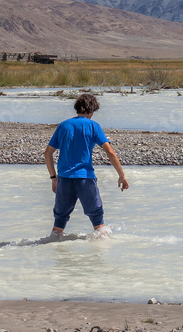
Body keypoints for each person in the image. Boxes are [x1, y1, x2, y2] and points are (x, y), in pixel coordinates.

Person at [44, 93, 128, 238]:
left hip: (64, 179)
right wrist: (122, 176)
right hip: (85, 179)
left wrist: (53, 178)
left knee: (58, 226)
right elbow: (110, 152)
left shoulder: (63, 125)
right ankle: (99, 257)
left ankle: (56, 256)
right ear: (92, 110)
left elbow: (47, 153)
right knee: (98, 223)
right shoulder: (93, 126)